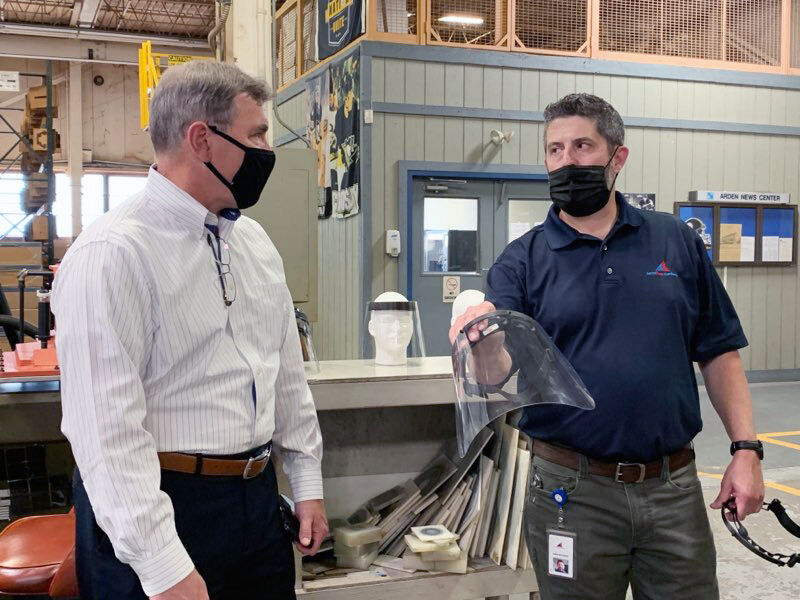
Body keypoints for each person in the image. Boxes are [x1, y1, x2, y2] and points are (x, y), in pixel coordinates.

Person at [449, 93, 764, 599]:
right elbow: (496, 372)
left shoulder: (675, 242)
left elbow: (719, 351)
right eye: (554, 149)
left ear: (618, 158)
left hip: (673, 486)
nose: (566, 161)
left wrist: (746, 450)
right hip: (571, 491)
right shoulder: (522, 261)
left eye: (582, 146)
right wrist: (479, 339)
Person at [52, 60, 328, 600]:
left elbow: (284, 377)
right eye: (256, 134)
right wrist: (162, 565)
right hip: (164, 509)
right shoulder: (113, 253)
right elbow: (106, 434)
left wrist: (307, 484)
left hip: (255, 503)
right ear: (202, 140)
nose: (267, 150)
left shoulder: (254, 243)